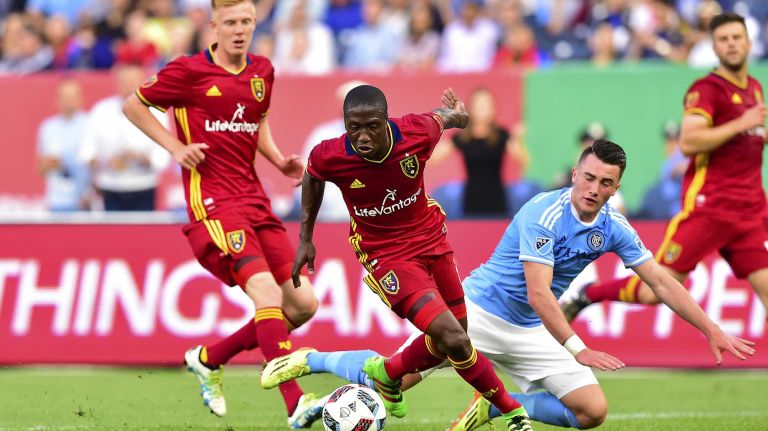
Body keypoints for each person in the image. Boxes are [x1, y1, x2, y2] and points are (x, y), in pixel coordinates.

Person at [261, 140, 755, 430]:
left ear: (616, 187)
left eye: (605, 183)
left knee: (592, 412)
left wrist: (710, 329)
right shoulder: (544, 212)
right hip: (474, 316)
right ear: (576, 172)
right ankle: (312, 362)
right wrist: (578, 347)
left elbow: (662, 283)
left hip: (531, 331)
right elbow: (540, 292)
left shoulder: (614, 227)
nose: (593, 189)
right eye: (588, 177)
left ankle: (491, 407)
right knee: (394, 380)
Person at [281, 84, 534, 431]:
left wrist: (460, 115)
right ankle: (512, 411)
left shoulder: (416, 131)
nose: (362, 136)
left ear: (387, 120)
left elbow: (448, 118)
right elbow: (312, 175)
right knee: (455, 339)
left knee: (453, 340)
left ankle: (388, 372)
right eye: (353, 127)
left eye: (372, 126)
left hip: (432, 241)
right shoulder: (331, 154)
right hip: (386, 254)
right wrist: (305, 238)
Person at [122, 0, 323, 427]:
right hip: (213, 205)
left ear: (255, 24)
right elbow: (133, 105)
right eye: (230, 22)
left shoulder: (263, 71)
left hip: (255, 201)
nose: (239, 29)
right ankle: (295, 403)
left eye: (246, 21)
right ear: (213, 26)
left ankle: (209, 358)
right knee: (267, 293)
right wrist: (176, 148)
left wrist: (277, 160)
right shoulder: (187, 71)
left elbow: (256, 121)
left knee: (304, 304)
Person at [561, 13, 768, 323]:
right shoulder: (707, 89)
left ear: (749, 43)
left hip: (750, 213)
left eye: (737, 38)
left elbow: (748, 142)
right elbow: (689, 141)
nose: (731, 44)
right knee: (653, 292)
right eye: (723, 39)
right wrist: (742, 124)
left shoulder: (754, 89)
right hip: (710, 209)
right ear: (714, 47)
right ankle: (589, 294)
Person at [80, 63, 170, 211]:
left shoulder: (157, 112)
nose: (129, 85)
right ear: (118, 81)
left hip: (143, 187)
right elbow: (87, 153)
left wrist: (141, 158)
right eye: (125, 80)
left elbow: (163, 156)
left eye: (133, 80)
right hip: (109, 187)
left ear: (142, 82)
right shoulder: (101, 111)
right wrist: (107, 162)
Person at [36, 78, 90, 211]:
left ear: (80, 98)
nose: (68, 100)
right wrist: (55, 163)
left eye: (72, 96)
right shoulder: (48, 127)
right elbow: (41, 168)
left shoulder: (90, 124)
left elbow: (95, 163)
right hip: (57, 199)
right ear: (57, 99)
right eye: (64, 96)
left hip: (84, 200)